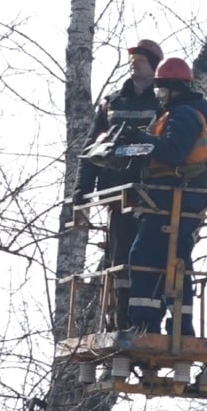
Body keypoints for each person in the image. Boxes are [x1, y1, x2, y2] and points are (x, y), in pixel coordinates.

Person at [72, 39, 164, 320]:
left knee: (149, 260)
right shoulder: (112, 103)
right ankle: (119, 317)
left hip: (150, 195)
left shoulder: (162, 104)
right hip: (115, 193)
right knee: (119, 258)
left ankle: (146, 318)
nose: (134, 64)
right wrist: (82, 187)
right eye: (132, 60)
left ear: (153, 66)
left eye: (140, 60)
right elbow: (91, 148)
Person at [124, 56, 207, 336]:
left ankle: (145, 323)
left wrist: (141, 140)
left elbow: (173, 152)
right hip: (172, 196)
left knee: (145, 254)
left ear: (176, 87)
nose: (160, 94)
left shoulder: (185, 114)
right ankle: (175, 324)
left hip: (180, 196)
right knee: (174, 259)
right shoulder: (176, 113)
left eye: (163, 89)